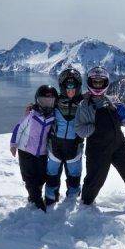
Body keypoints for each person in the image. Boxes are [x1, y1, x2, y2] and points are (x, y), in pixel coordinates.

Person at [75, 67, 125, 206]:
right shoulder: (84, 106)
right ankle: (85, 207)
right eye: (95, 83)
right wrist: (95, 126)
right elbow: (79, 129)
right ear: (89, 83)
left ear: (106, 84)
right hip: (98, 149)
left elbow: (124, 123)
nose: (98, 86)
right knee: (95, 181)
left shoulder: (112, 100)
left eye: (101, 83)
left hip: (119, 145)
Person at [10, 85, 58, 212]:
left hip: (42, 152)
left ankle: (34, 195)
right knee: (29, 178)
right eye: (44, 101)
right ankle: (36, 200)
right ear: (38, 100)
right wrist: (13, 144)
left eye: (50, 101)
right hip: (26, 150)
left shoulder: (53, 117)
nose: (47, 104)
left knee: (41, 177)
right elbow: (18, 128)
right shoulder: (31, 115)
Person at [45, 68, 84, 205]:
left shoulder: (84, 103)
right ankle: (50, 197)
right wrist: (33, 108)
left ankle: (72, 199)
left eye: (74, 88)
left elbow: (100, 104)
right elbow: (42, 107)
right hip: (55, 145)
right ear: (62, 87)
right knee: (52, 174)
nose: (71, 91)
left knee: (74, 176)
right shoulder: (54, 102)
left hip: (75, 146)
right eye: (68, 88)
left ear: (78, 88)